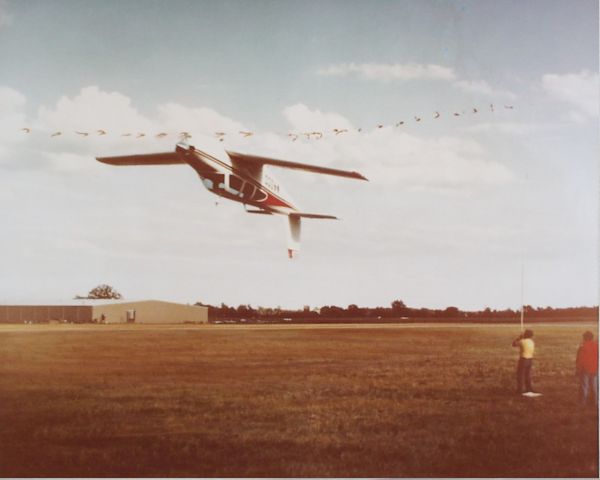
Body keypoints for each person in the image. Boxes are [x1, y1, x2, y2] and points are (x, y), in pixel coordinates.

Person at [576, 331, 598, 407]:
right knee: (594, 387)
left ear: (585, 338)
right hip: (595, 368)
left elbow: (580, 359)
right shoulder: (596, 346)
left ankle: (582, 403)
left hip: (585, 369)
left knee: (584, 386)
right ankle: (595, 402)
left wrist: (578, 369)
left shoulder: (582, 347)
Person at [512, 329, 535, 394]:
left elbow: (513, 344)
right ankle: (529, 388)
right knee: (527, 375)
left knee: (520, 375)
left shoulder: (522, 341)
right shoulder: (531, 342)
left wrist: (519, 337)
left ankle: (520, 390)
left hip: (523, 359)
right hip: (530, 359)